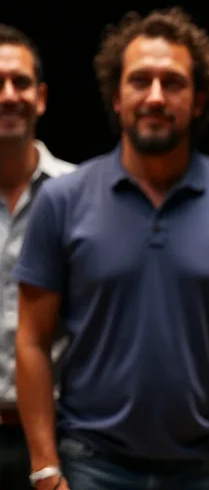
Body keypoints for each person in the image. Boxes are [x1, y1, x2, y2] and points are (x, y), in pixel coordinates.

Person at [13, 7, 209, 490]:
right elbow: (32, 342)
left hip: (208, 470)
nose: (155, 96)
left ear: (198, 100)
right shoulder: (62, 200)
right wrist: (46, 471)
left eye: (173, 83)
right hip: (90, 465)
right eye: (140, 80)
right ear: (116, 96)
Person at [0, 24, 76, 490]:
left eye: (21, 82)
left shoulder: (80, 195)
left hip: (61, 437)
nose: (9, 95)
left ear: (41, 97)